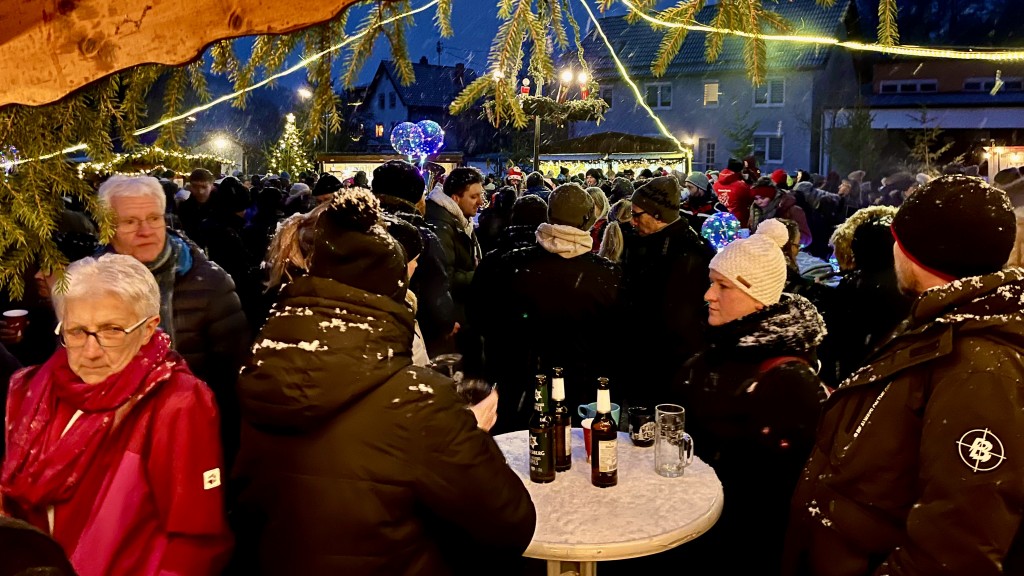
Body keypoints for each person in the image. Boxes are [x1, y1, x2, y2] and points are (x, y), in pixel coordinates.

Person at [231, 189, 536, 575]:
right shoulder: (416, 401)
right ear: (393, 293)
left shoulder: (266, 364)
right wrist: (464, 431)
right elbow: (510, 522)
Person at [784, 175, 1024, 576]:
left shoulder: (980, 368)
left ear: (918, 253)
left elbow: (957, 547)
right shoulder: (939, 326)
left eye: (898, 239)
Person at [1, 254, 233, 576]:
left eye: (112, 330)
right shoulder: (28, 389)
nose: (91, 351)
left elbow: (194, 540)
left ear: (149, 327)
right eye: (78, 331)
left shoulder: (175, 402)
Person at [673, 219, 825, 575]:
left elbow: (779, 493)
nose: (709, 294)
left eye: (722, 285)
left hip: (744, 548)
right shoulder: (717, 346)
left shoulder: (789, 380)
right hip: (698, 528)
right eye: (712, 283)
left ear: (757, 299)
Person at [96, 175, 250, 465]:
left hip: (190, 446)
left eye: (153, 218)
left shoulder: (209, 284)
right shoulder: (86, 285)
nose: (146, 231)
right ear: (107, 228)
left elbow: (234, 383)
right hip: (110, 451)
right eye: (130, 222)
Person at [470, 184, 621, 431]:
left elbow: (482, 317)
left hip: (521, 385)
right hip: (573, 387)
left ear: (549, 216)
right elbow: (615, 337)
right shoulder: (607, 275)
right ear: (587, 221)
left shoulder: (509, 264)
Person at [620, 176, 714, 406]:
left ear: (657, 215)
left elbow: (677, 321)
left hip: (664, 369)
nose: (632, 221)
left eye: (636, 214)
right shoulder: (651, 242)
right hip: (647, 363)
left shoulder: (687, 254)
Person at [372, 159, 457, 357]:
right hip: (416, 338)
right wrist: (446, 323)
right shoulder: (422, 237)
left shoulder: (360, 227)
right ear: (416, 196)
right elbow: (437, 296)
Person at [425, 166, 484, 356]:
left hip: (458, 313)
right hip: (452, 321)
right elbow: (444, 276)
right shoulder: (443, 227)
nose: (480, 202)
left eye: (481, 196)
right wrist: (480, 275)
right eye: (473, 197)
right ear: (455, 198)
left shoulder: (458, 221)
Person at [749, 177, 812, 247]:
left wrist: (783, 236)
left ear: (772, 196)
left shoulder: (793, 210)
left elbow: (807, 239)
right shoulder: (755, 211)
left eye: (763, 198)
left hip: (786, 253)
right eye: (756, 198)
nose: (759, 202)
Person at [176, 168, 216, 246]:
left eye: (204, 187)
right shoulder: (185, 208)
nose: (200, 191)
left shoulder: (221, 206)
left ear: (211, 186)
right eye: (195, 187)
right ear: (190, 186)